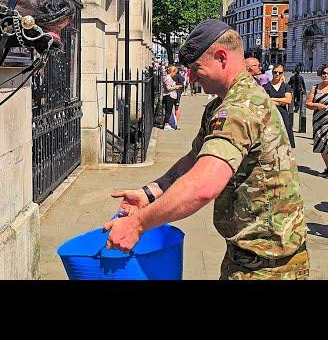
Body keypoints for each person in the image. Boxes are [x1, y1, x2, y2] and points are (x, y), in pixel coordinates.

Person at [104, 19, 309, 280]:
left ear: (222, 57)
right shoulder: (221, 105)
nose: (190, 76)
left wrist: (137, 224)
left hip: (269, 266)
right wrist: (149, 193)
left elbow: (203, 185)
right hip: (246, 255)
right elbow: (194, 160)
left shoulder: (240, 107)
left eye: (196, 67)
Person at [263, 65, 295, 148]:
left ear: (282, 73)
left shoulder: (285, 86)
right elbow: (265, 101)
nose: (277, 74)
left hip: (283, 113)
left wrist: (272, 99)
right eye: (275, 72)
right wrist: (281, 101)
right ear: (272, 72)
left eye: (280, 72)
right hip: (270, 114)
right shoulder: (266, 86)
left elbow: (288, 100)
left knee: (286, 132)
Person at [305, 64, 328, 177]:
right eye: (324, 73)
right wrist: (317, 105)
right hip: (319, 121)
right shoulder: (315, 87)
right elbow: (308, 103)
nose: (325, 75)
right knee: (322, 146)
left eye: (327, 73)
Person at [161, 65, 182, 130]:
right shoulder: (168, 78)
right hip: (169, 96)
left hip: (170, 96)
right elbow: (168, 88)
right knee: (168, 111)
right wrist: (176, 87)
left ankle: (166, 124)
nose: (175, 74)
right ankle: (166, 125)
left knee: (169, 111)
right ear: (172, 72)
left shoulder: (168, 77)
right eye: (175, 73)